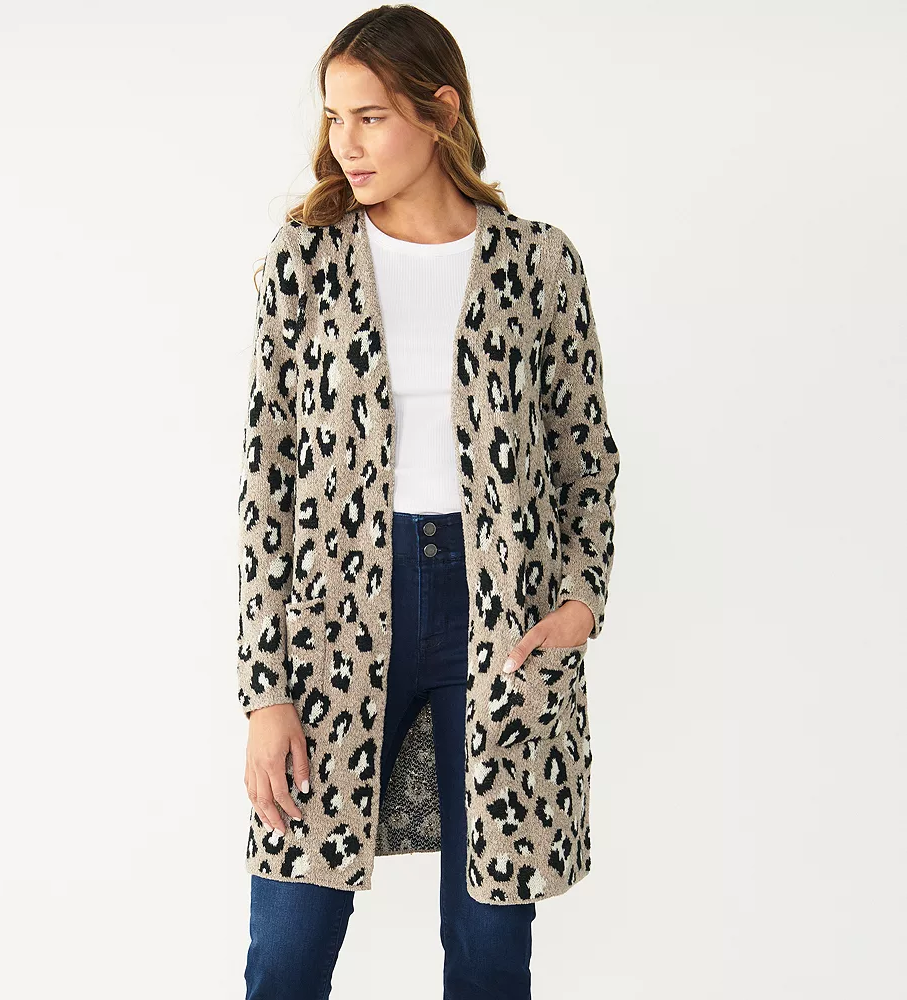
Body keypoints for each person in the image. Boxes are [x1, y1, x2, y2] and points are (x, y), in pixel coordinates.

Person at [238, 6, 620, 999]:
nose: (345, 143)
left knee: (490, 944)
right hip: (334, 615)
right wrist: (266, 691)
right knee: (288, 942)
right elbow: (267, 477)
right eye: (334, 117)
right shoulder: (304, 258)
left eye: (369, 117)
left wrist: (580, 599)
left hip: (503, 620)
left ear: (440, 111)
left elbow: (584, 454)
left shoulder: (538, 261)